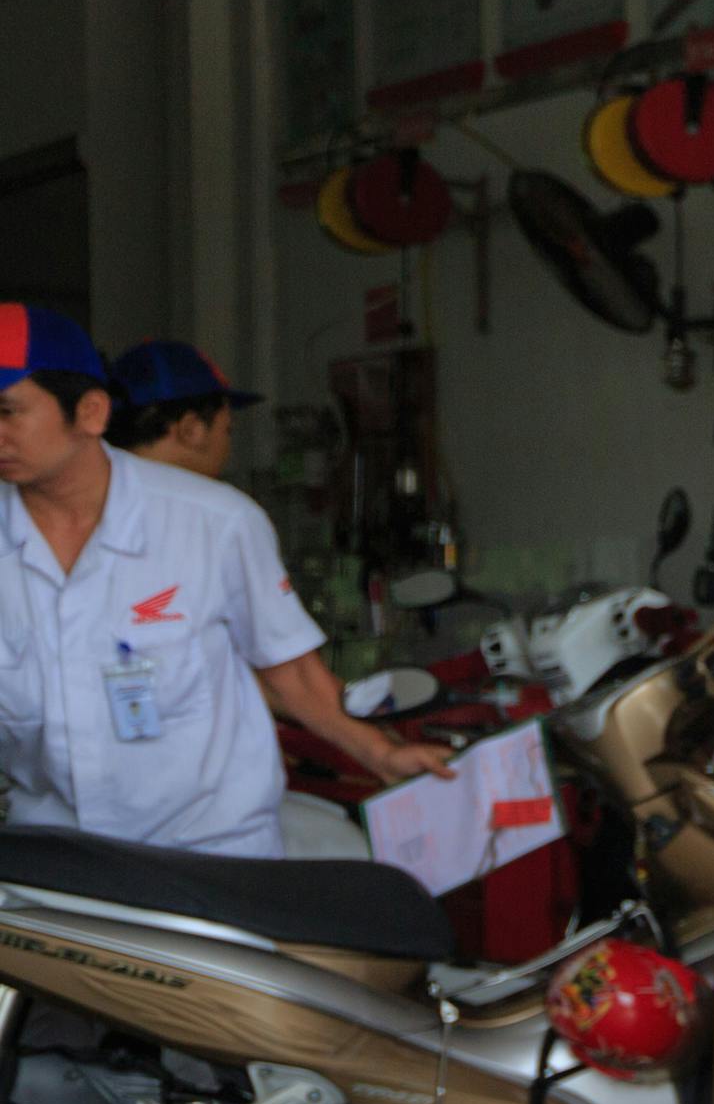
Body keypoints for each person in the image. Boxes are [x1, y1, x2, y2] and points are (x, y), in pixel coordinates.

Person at [0, 303, 447, 855]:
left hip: (209, 852)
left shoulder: (216, 523)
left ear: (90, 412)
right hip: (55, 856)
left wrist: (381, 754)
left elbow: (292, 674)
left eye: (7, 410)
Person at [105, 341, 260, 483]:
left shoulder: (88, 497)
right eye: (228, 429)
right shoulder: (222, 511)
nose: (228, 447)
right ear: (191, 430)